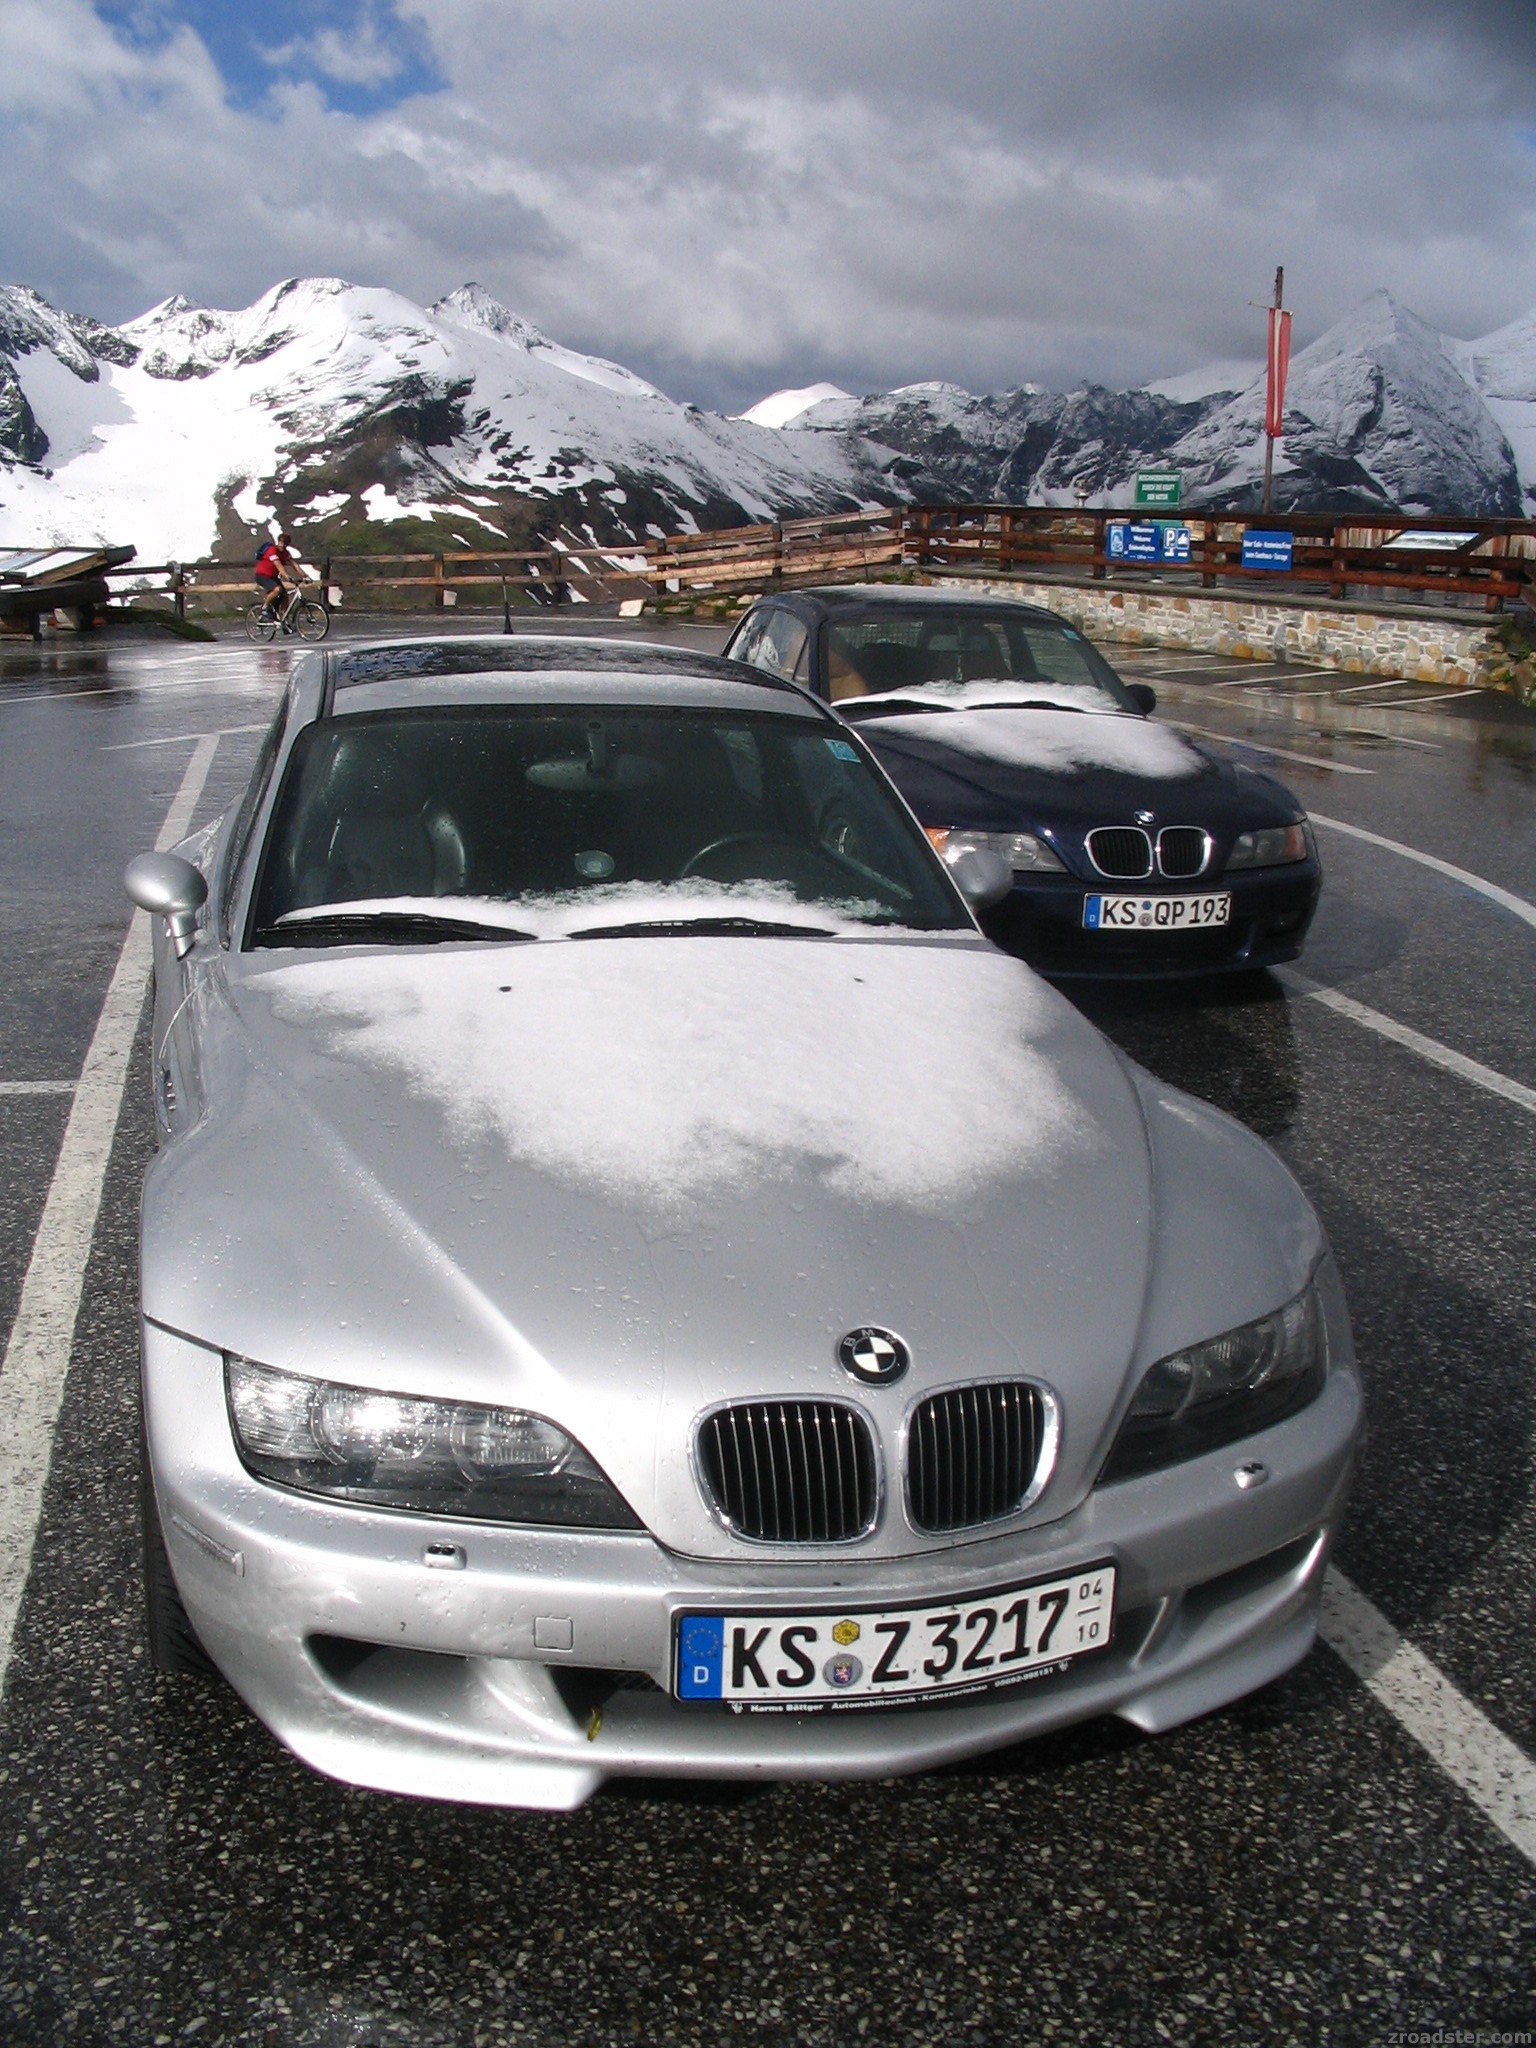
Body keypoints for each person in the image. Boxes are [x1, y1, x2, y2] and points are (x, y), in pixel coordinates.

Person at [254, 532, 303, 620]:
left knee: (285, 598)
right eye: (281, 543)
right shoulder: (272, 550)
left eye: (285, 544)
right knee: (277, 589)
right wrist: (287, 576)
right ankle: (265, 607)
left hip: (273, 577)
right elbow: (278, 565)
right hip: (262, 576)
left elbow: (295, 565)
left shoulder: (285, 553)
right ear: (278, 542)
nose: (282, 545)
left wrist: (304, 576)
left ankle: (284, 620)